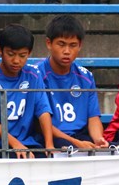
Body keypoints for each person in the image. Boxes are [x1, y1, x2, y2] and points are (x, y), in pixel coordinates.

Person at [37, 15, 108, 149]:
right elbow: (38, 123)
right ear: (49, 43)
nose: (67, 51)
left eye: (73, 45)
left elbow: (93, 117)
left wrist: (98, 139)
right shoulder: (36, 75)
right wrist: (77, 144)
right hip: (51, 137)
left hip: (80, 135)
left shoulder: (86, 77)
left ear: (80, 46)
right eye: (61, 44)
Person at [0, 24, 54, 158]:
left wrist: (49, 144)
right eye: (11, 54)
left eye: (22, 55)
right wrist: (15, 144)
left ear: (29, 53)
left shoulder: (34, 74)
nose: (16, 60)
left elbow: (43, 111)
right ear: (0, 50)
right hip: (0, 145)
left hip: (29, 143)